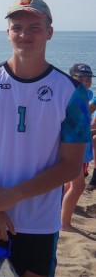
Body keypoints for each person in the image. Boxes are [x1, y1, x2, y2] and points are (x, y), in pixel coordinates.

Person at [0, 0, 91, 277]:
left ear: (49, 32)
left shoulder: (71, 92)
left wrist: (14, 195)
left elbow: (71, 165)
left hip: (39, 222)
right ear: (7, 32)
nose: (24, 34)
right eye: (17, 27)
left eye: (34, 27)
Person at [60, 63, 96, 231]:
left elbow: (85, 116)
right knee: (78, 186)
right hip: (71, 144)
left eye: (88, 79)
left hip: (82, 143)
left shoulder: (88, 94)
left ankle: (59, 212)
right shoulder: (67, 94)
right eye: (80, 79)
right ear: (71, 78)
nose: (85, 82)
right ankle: (65, 224)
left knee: (69, 184)